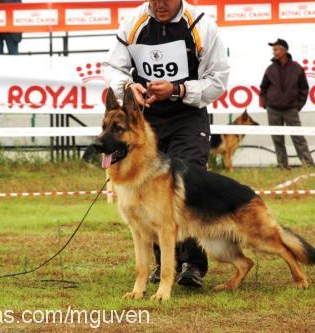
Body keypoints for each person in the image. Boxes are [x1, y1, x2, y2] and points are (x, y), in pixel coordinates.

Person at [103, 0, 229, 287]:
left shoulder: (202, 26)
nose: (159, 5)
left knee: (191, 181)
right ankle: (164, 264)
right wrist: (127, 86)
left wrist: (179, 88)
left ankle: (193, 264)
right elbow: (112, 67)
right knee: (150, 190)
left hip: (188, 115)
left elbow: (218, 80)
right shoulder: (132, 22)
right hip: (147, 121)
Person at [260, 38, 315, 168]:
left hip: (291, 110)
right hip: (273, 110)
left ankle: (308, 166)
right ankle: (282, 166)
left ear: (285, 50)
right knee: (277, 140)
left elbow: (304, 88)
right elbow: (263, 88)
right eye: (273, 50)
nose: (274, 52)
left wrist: (298, 105)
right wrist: (266, 104)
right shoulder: (270, 69)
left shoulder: (297, 68)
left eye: (276, 49)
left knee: (298, 138)